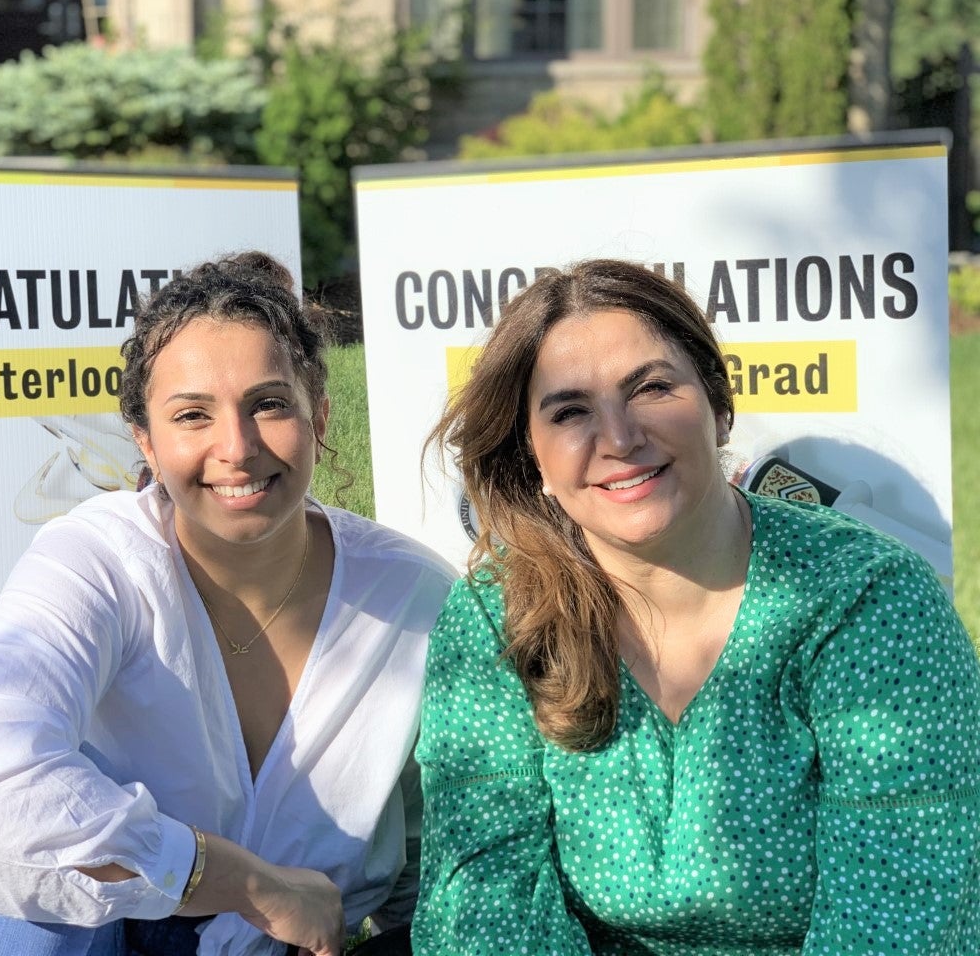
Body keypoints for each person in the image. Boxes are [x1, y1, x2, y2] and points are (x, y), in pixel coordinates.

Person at [0, 252, 454, 956]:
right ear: (146, 444)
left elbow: (442, 853)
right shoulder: (94, 561)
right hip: (93, 931)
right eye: (192, 415)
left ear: (319, 415)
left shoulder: (415, 598)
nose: (237, 448)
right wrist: (251, 885)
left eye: (270, 404)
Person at [414, 258, 980, 954]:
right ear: (533, 457)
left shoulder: (868, 601)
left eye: (651, 388)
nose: (619, 439)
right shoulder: (496, 616)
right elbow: (481, 908)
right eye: (570, 411)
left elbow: (899, 918)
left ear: (718, 405)